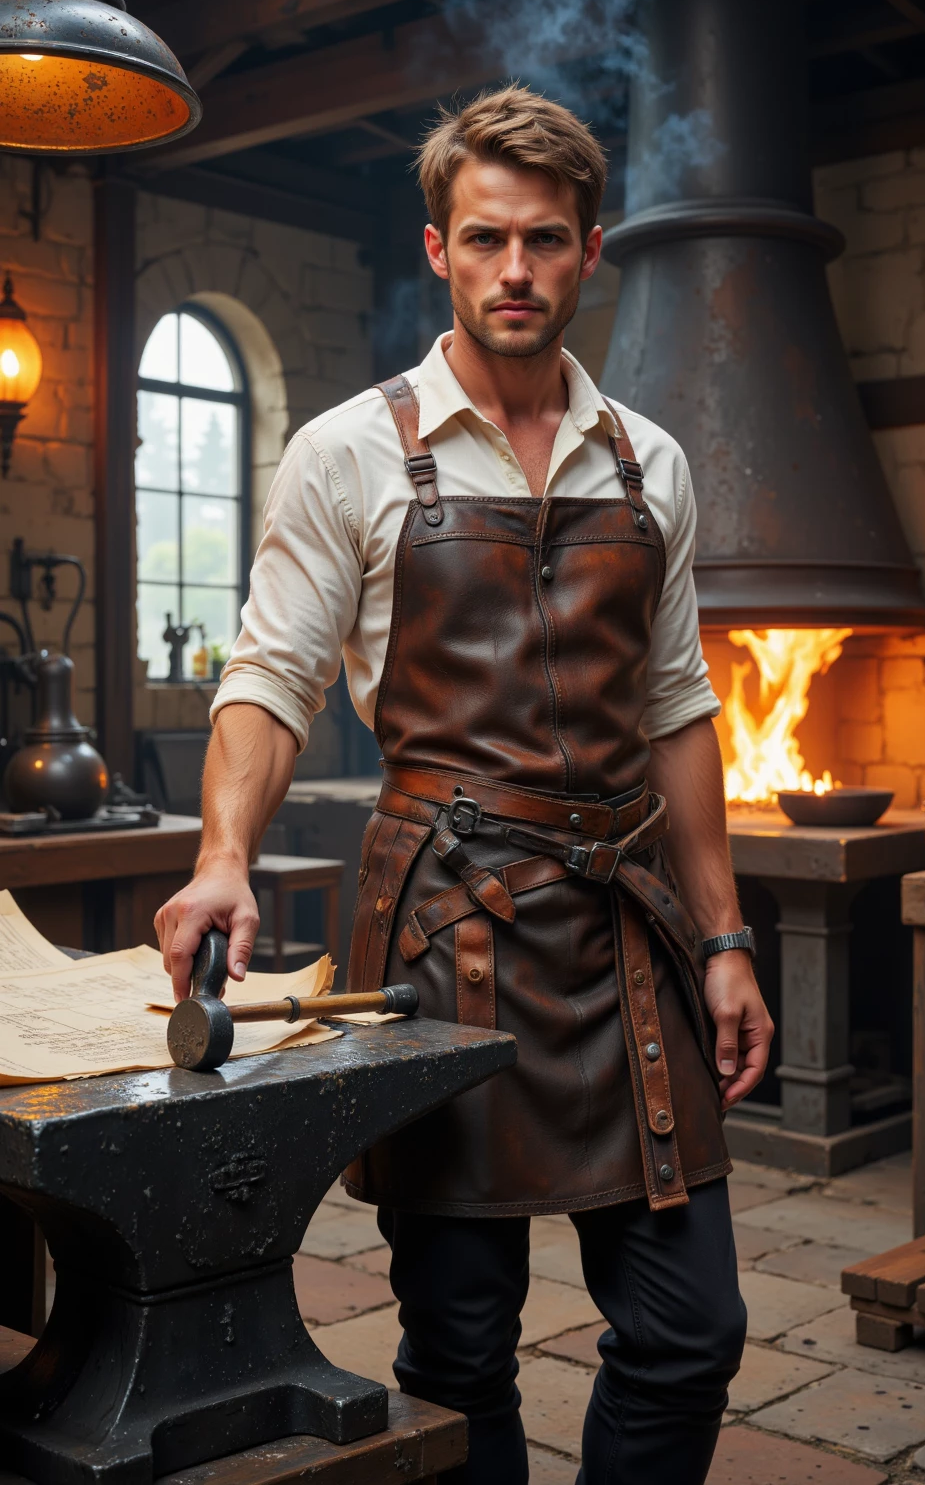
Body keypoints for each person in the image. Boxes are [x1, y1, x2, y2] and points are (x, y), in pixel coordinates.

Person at [156, 84, 773, 1485]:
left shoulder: (651, 463)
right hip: (449, 932)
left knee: (692, 1331)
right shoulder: (349, 451)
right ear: (438, 249)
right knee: (457, 1352)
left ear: (590, 250)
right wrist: (221, 856)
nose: (516, 270)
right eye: (485, 239)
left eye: (545, 240)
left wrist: (725, 937)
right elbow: (269, 681)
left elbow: (678, 707)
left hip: (632, 938)